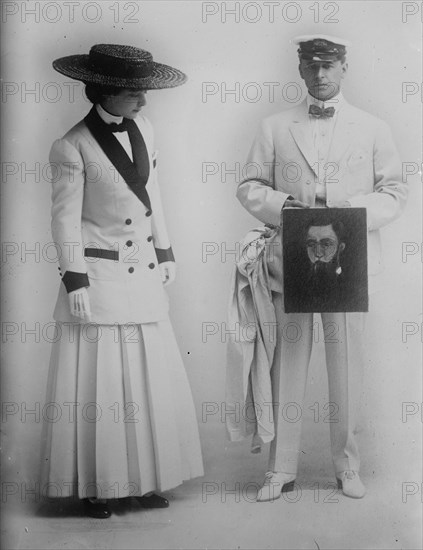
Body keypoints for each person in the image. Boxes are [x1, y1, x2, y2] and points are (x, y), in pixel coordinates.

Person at [235, 34, 407, 500]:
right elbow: (249, 186)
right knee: (286, 362)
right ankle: (281, 468)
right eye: (312, 67)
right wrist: (284, 204)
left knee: (346, 364)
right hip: (291, 260)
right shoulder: (274, 126)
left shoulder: (372, 127)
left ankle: (347, 466)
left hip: (349, 263)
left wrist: (349, 211)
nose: (321, 75)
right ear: (300, 71)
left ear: (344, 68)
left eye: (329, 66)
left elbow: (396, 192)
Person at [40, 43, 204, 518]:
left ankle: (143, 482)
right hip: (101, 278)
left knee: (145, 382)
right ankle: (99, 488)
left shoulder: (146, 129)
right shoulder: (71, 147)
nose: (145, 101)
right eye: (136, 92)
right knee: (105, 386)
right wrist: (75, 281)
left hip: (144, 272)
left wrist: (166, 250)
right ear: (107, 91)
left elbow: (154, 194)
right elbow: (64, 221)